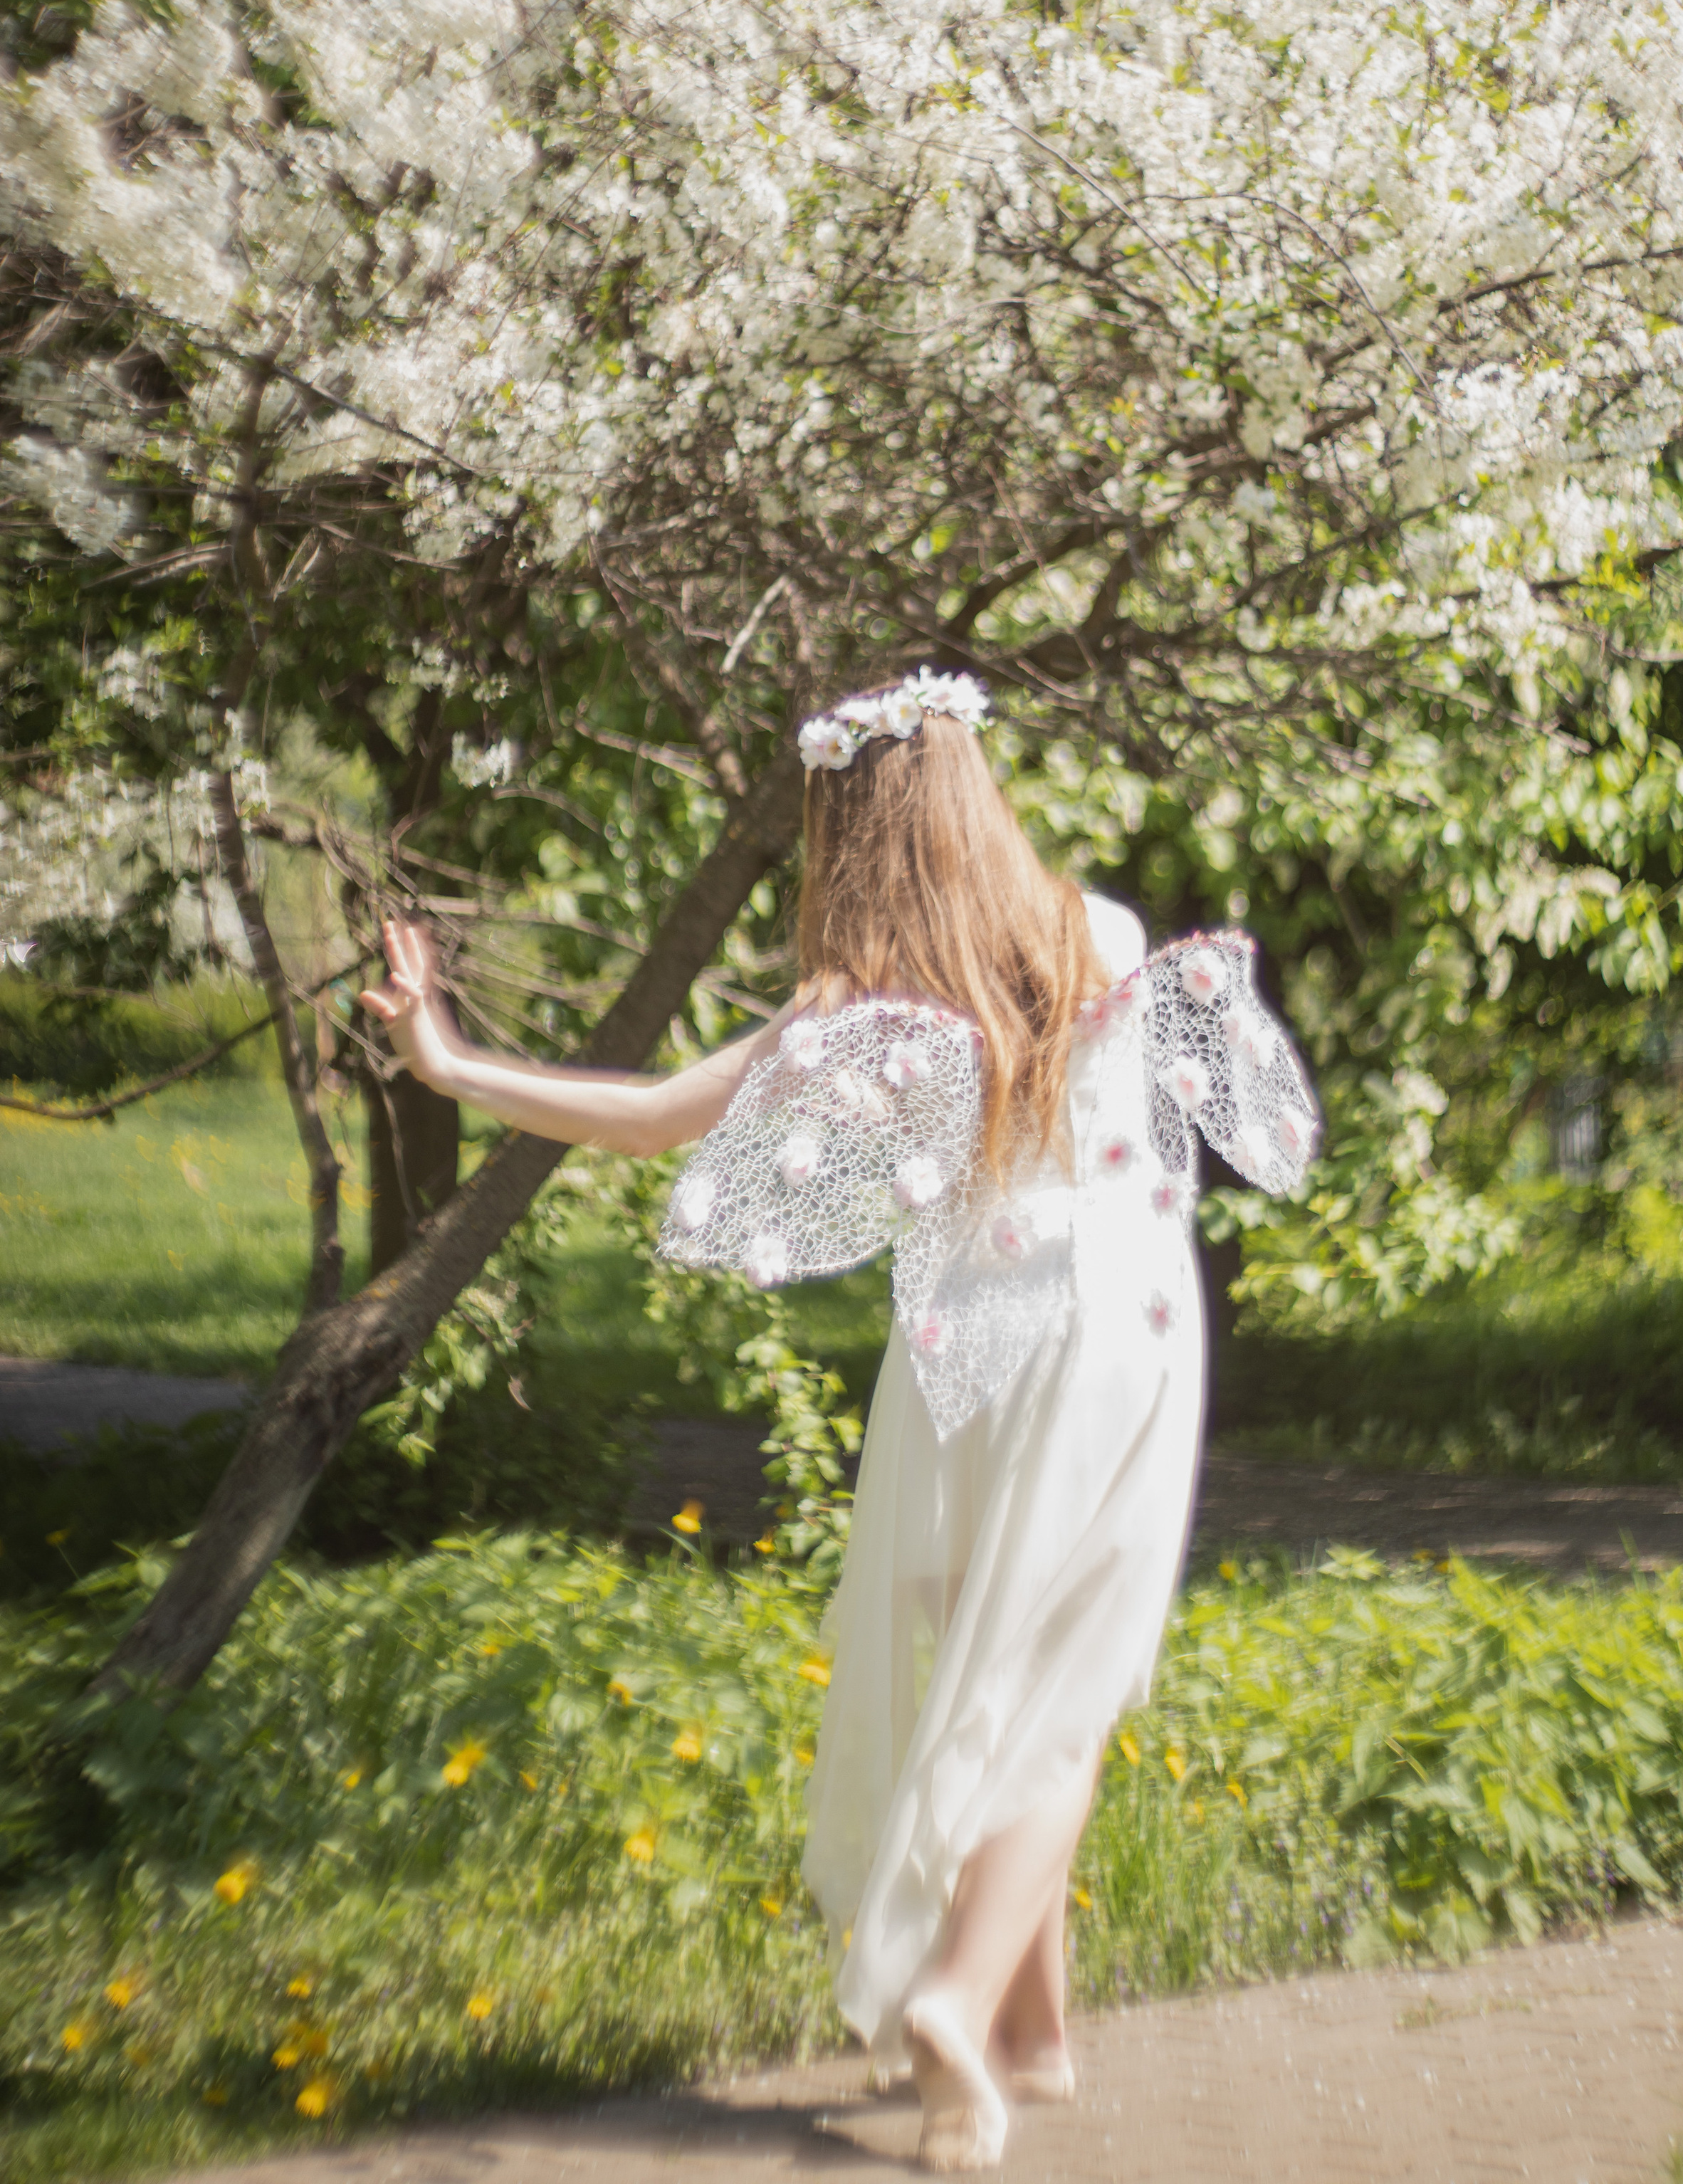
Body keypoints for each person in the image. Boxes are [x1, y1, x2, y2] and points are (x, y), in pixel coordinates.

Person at [361, 666, 1318, 2173]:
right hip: (1115, 1333)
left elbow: (662, 1109)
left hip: (958, 1348)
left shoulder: (853, 1008)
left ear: (847, 830)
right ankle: (953, 1997)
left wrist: (449, 1060)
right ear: (973, 791)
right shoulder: (1103, 936)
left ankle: (1032, 2037)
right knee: (1058, 1680)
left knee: (991, 1658)